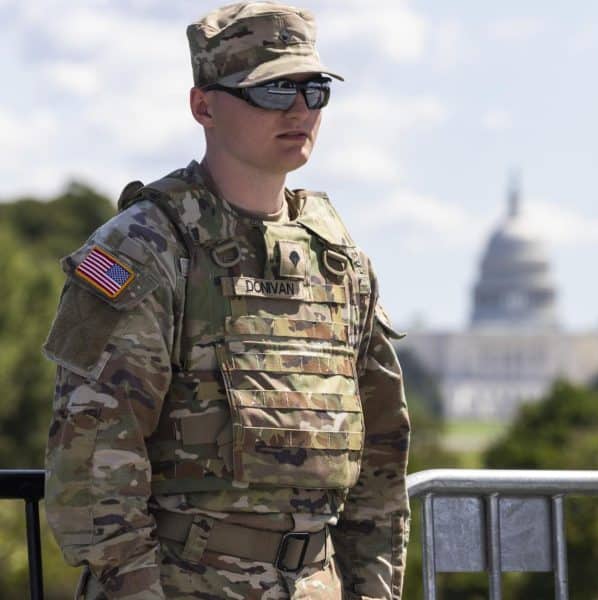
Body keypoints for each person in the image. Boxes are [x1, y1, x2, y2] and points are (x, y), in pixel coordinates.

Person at [42, 3, 410, 598]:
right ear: (204, 107)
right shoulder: (146, 247)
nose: (299, 110)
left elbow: (381, 463)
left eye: (314, 90)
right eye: (271, 90)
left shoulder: (339, 261)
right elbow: (94, 462)